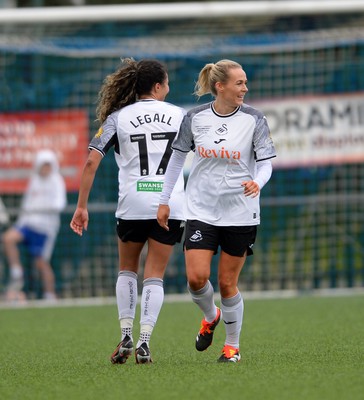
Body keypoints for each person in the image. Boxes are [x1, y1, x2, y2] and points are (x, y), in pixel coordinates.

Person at [157, 59, 276, 363]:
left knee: (226, 283)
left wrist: (257, 182)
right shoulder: (194, 118)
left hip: (240, 211)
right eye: (239, 83)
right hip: (202, 209)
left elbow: (265, 163)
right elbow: (175, 161)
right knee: (196, 279)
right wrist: (164, 199)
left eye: (245, 82)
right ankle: (211, 316)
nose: (245, 88)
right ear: (219, 86)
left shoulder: (254, 118)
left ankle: (232, 347)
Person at [70, 58, 185, 364]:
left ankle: (125, 335)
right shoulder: (180, 115)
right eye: (168, 82)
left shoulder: (117, 118)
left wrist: (81, 206)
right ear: (158, 86)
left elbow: (91, 161)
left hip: (133, 204)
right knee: (155, 275)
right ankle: (145, 341)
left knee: (126, 270)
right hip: (169, 204)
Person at [3, 149, 67, 302]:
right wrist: (22, 220)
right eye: (43, 165)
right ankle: (16, 272)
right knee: (8, 238)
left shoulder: (56, 180)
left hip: (44, 228)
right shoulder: (35, 180)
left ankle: (50, 294)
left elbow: (60, 204)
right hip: (28, 224)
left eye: (48, 165)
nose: (45, 169)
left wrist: (44, 208)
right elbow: (27, 203)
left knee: (41, 262)